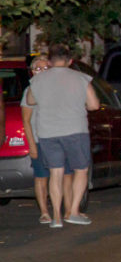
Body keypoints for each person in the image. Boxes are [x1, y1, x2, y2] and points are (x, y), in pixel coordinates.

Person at [26, 44, 99, 227]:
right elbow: (94, 105)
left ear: (50, 61)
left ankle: (56, 217)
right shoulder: (81, 78)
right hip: (75, 130)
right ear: (70, 61)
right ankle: (73, 211)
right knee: (81, 170)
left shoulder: (39, 80)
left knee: (55, 172)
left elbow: (30, 100)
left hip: (48, 133)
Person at [20, 55, 54, 223]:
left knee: (58, 175)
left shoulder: (57, 89)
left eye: (45, 68)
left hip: (56, 139)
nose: (41, 72)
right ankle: (44, 211)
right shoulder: (30, 91)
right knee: (41, 177)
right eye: (37, 69)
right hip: (40, 141)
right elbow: (26, 121)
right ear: (32, 72)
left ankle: (61, 207)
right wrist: (32, 145)